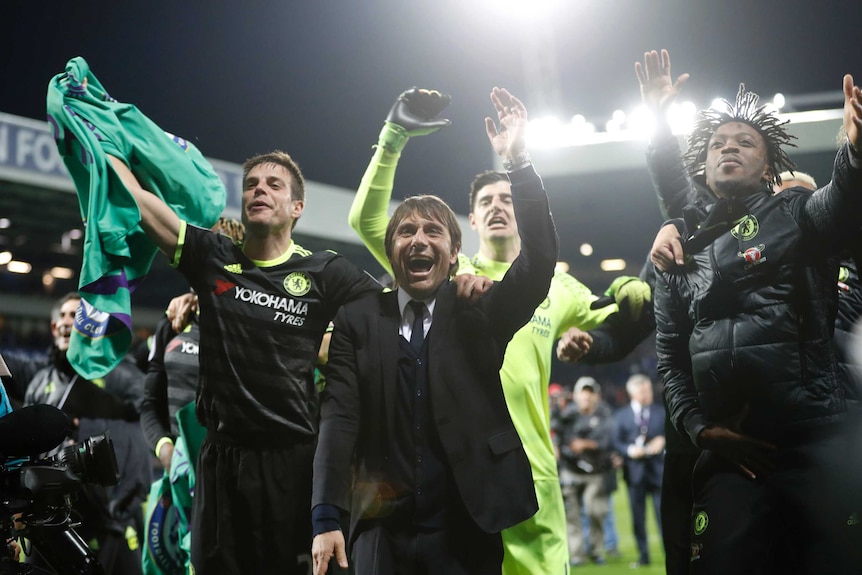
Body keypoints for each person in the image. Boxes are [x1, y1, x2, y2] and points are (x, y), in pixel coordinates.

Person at [347, 87, 650, 575]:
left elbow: (620, 322)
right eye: (485, 200)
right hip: (460, 468)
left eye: (507, 197)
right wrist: (393, 138)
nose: (497, 205)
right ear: (471, 219)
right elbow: (367, 221)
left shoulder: (559, 285)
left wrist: (631, 285)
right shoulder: (448, 272)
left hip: (533, 462)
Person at [310, 87, 558, 575]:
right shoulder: (359, 321)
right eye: (406, 231)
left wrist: (519, 161)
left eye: (432, 231)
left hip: (466, 526)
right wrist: (325, 515)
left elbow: (539, 262)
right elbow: (338, 421)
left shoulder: (479, 307)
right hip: (380, 530)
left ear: (453, 249)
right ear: (390, 248)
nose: (418, 239)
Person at [654, 63, 862, 574]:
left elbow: (840, 202)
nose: (729, 146)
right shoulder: (676, 253)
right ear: (701, 168)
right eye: (718, 142)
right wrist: (701, 429)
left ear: (768, 166)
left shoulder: (796, 213)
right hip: (729, 456)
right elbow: (670, 360)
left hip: (815, 444)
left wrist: (856, 151)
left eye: (745, 141)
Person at [24, 292, 151, 575]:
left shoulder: (116, 374)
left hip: (110, 519)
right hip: (53, 517)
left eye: (76, 315)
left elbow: (146, 415)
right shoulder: (41, 382)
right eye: (64, 316)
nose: (70, 321)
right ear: (54, 328)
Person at [557, 377, 614, 567]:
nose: (587, 396)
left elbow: (607, 442)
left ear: (596, 396)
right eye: (583, 392)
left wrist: (585, 444)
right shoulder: (566, 415)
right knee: (572, 515)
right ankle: (577, 554)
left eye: (590, 392)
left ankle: (597, 551)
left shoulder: (604, 414)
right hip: (571, 471)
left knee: (594, 511)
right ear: (576, 395)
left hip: (595, 472)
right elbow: (558, 436)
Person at [612, 373, 664, 568]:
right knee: (638, 518)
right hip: (634, 473)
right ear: (632, 393)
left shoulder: (660, 411)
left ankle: (670, 554)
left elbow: (669, 432)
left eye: (648, 389)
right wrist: (628, 450)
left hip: (658, 471)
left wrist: (663, 440)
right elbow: (616, 441)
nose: (647, 393)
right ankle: (644, 556)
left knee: (663, 516)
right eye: (643, 390)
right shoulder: (621, 415)